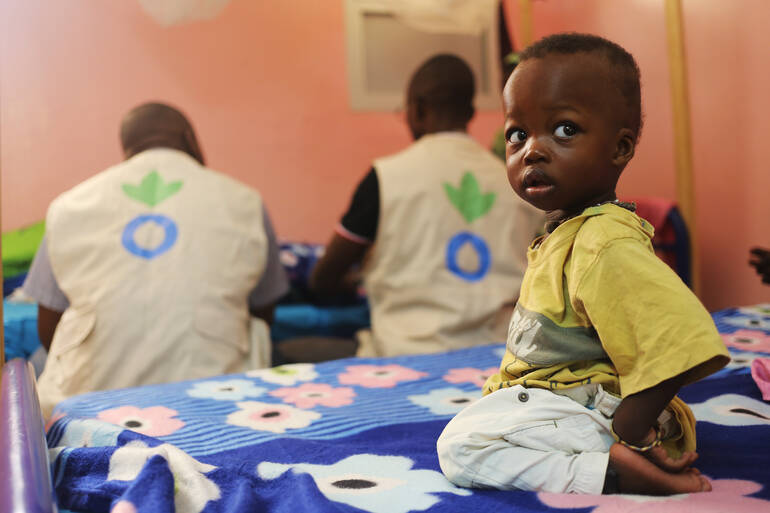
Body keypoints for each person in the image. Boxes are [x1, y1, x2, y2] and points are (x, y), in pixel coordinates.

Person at [436, 33, 730, 495]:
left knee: (461, 447)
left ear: (620, 148)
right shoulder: (569, 230)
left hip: (595, 414)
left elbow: (683, 334)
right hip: (574, 403)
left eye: (564, 129)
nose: (531, 149)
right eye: (518, 133)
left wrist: (631, 427)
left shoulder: (602, 241)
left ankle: (609, 471)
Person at [24, 102, 289, 418]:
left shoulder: (68, 207)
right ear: (190, 139)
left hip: (93, 403)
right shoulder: (245, 201)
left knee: (41, 359)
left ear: (127, 149)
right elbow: (263, 314)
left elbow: (48, 329)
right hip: (216, 401)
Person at [309, 54, 544, 358]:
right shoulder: (515, 180)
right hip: (501, 356)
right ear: (470, 112)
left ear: (417, 109)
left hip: (404, 355)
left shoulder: (386, 177)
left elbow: (323, 278)